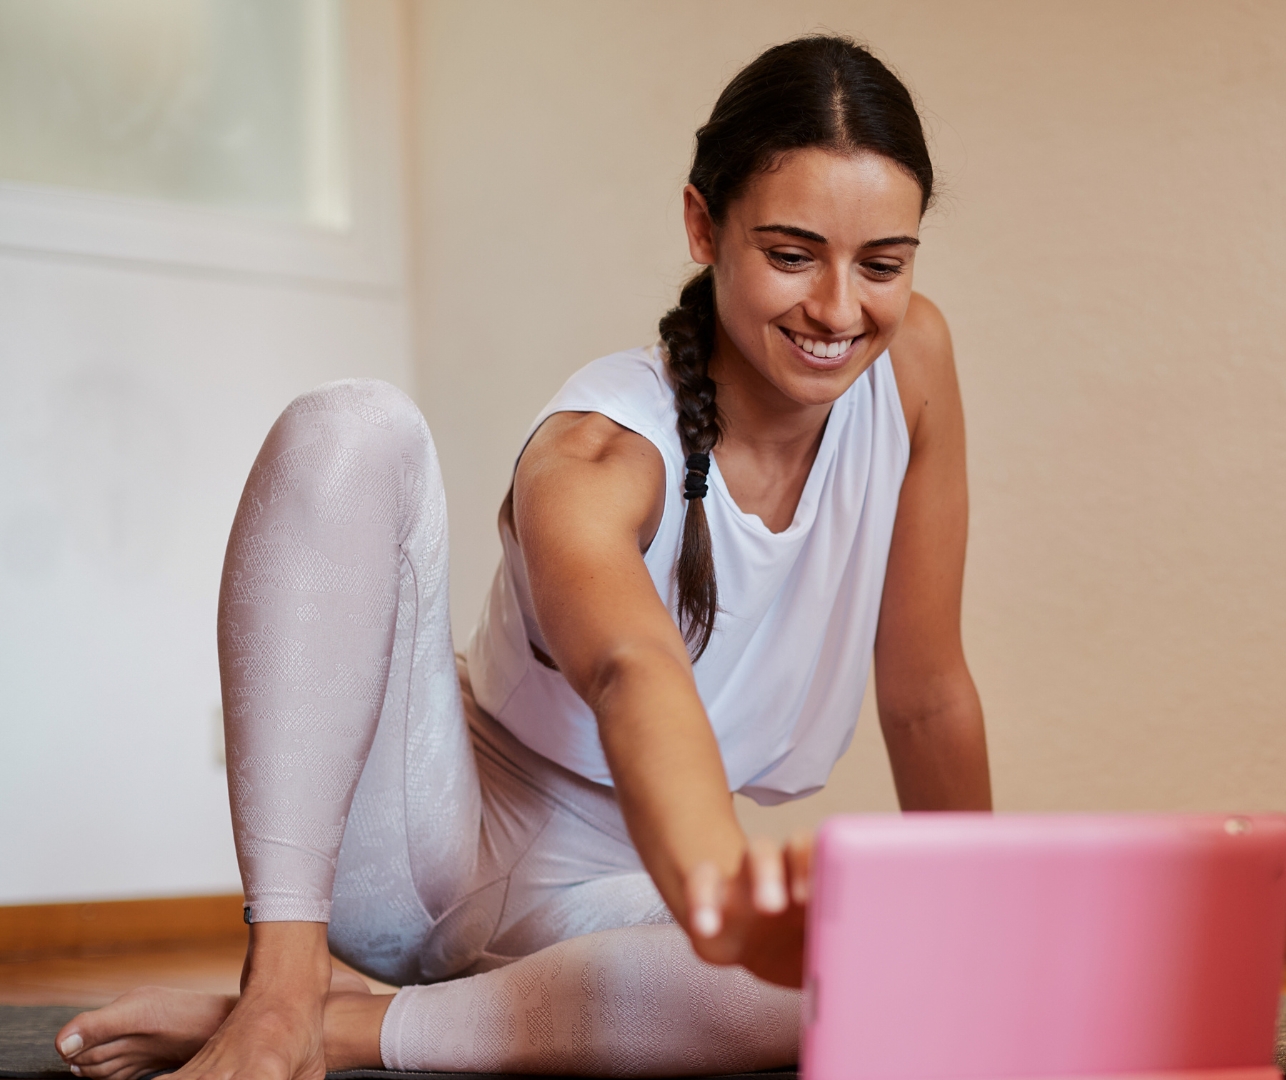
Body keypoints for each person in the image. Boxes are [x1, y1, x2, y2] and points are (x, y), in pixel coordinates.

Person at [54, 35, 989, 1080]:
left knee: (870, 964)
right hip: (426, 852)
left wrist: (987, 936)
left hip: (614, 907)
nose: (838, 308)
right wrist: (721, 889)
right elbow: (632, 669)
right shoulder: (598, 450)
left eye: (883, 265)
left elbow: (925, 693)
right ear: (701, 225)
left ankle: (346, 1026)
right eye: (790, 253)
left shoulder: (913, 369)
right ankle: (282, 986)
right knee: (353, 427)